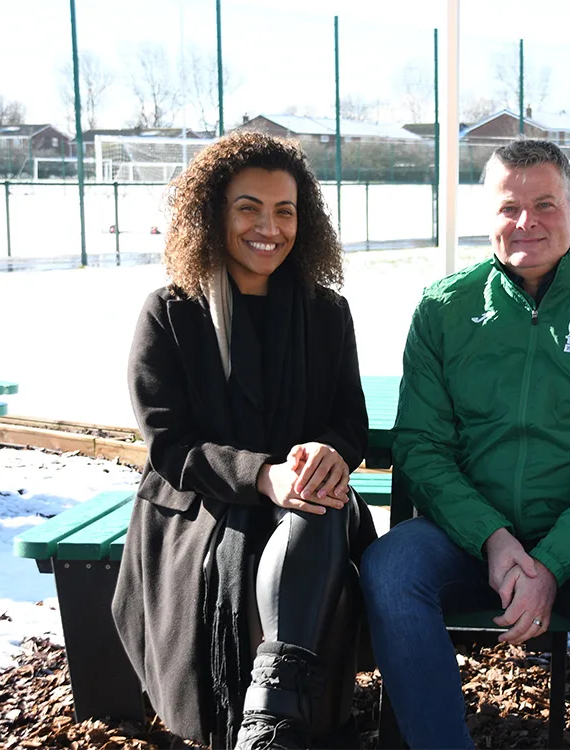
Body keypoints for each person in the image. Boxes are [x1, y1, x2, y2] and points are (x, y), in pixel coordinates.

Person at [360, 139, 570, 749]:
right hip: (471, 533)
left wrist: (553, 561)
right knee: (389, 568)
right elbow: (422, 445)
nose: (526, 222)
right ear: (489, 217)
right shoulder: (444, 308)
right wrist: (492, 537)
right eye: (509, 208)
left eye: (545, 205)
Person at [111, 130, 377, 750]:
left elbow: (350, 421)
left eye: (285, 210)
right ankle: (275, 720)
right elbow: (169, 444)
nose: (270, 226)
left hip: (307, 505)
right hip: (200, 507)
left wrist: (330, 453)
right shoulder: (170, 312)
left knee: (316, 507)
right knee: (293, 514)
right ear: (213, 214)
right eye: (248, 207)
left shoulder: (327, 313)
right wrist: (262, 475)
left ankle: (267, 722)